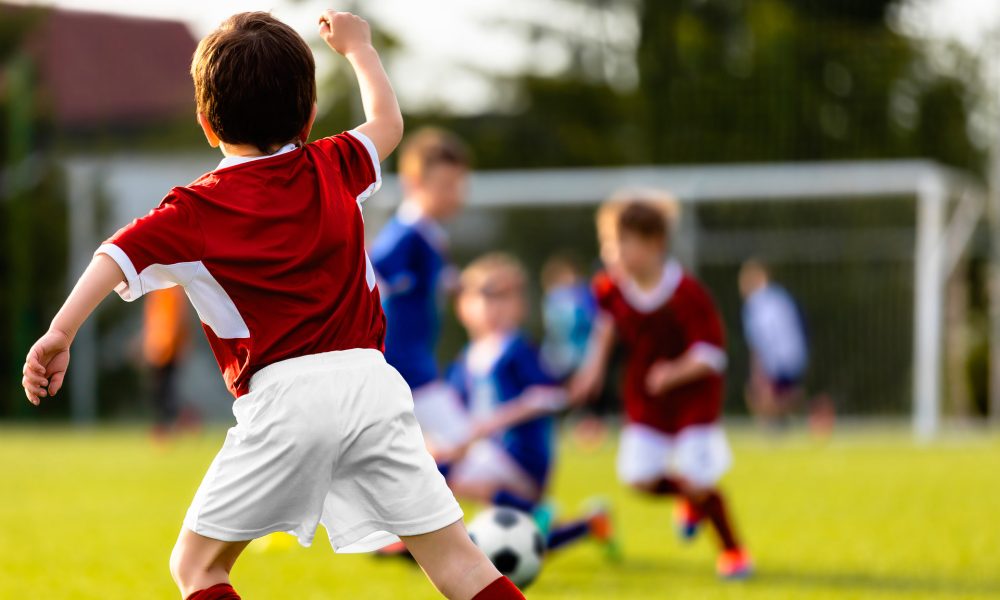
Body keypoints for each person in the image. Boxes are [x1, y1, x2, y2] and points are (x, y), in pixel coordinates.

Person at [21, 11, 523, 600]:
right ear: (309, 116)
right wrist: (359, 49)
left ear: (207, 123)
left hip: (285, 400)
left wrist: (61, 330)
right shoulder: (333, 164)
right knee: (462, 566)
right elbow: (388, 123)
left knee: (198, 569)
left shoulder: (194, 211)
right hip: (375, 385)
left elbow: (115, 255)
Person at [570, 197, 752, 579]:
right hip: (645, 396)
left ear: (655, 244)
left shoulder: (686, 293)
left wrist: (674, 372)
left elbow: (711, 354)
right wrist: (593, 369)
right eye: (607, 243)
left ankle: (734, 552)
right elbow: (607, 325)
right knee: (638, 477)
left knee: (699, 478)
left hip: (693, 398)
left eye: (621, 243)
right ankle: (689, 499)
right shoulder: (609, 288)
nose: (610, 253)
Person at [447, 253, 616, 556]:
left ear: (521, 305)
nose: (493, 306)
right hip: (488, 457)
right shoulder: (466, 359)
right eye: (484, 296)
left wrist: (491, 424)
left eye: (504, 297)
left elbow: (547, 396)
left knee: (441, 473)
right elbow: (452, 411)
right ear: (463, 306)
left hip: (520, 456)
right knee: (525, 545)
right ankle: (591, 523)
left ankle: (535, 510)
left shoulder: (517, 349)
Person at [369, 128, 472, 463]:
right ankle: (536, 514)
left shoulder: (429, 234)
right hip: (403, 362)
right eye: (445, 186)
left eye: (458, 185)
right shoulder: (406, 235)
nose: (455, 195)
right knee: (462, 444)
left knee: (439, 451)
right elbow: (369, 271)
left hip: (416, 360)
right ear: (414, 183)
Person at [739, 259, 811, 429]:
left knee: (757, 394)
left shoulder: (755, 304)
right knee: (784, 395)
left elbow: (760, 341)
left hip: (775, 358)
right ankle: (787, 418)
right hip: (794, 355)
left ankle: (773, 424)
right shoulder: (780, 296)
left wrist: (758, 372)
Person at [143, 286, 199, 440]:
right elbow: (153, 321)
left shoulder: (174, 290)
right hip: (157, 349)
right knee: (160, 392)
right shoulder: (156, 291)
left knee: (166, 392)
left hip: (169, 349)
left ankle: (171, 427)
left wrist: (183, 345)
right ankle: (177, 424)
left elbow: (180, 321)